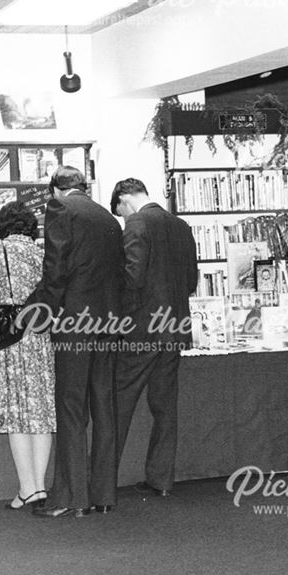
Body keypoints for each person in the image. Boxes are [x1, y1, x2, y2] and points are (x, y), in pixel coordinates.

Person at [23, 166, 124, 518]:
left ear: (55, 190)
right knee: (103, 406)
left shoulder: (60, 209)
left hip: (74, 323)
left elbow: (55, 270)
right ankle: (104, 495)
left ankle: (70, 498)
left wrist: (42, 313)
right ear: (84, 187)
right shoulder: (109, 218)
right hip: (109, 322)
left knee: (71, 408)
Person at [110, 179, 198, 497]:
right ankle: (161, 480)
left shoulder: (136, 223)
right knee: (164, 407)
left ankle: (104, 479)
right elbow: (191, 280)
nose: (121, 218)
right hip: (174, 330)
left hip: (142, 330)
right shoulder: (181, 225)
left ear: (124, 200)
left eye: (119, 212)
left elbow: (131, 277)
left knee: (119, 403)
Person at [0, 202, 55, 510]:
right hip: (40, 334)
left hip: (10, 337)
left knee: (16, 415)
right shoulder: (42, 251)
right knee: (41, 414)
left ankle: (27, 488)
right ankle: (40, 486)